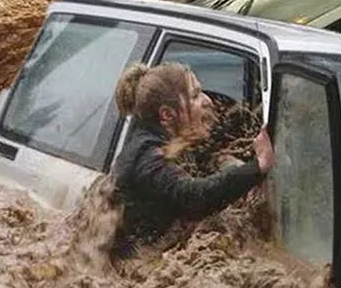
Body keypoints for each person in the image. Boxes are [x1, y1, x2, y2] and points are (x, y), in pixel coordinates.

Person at [110, 63, 275, 257]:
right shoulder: (146, 158)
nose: (208, 100)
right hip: (135, 269)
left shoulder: (169, 141)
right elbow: (194, 198)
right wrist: (259, 166)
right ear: (167, 115)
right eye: (195, 95)